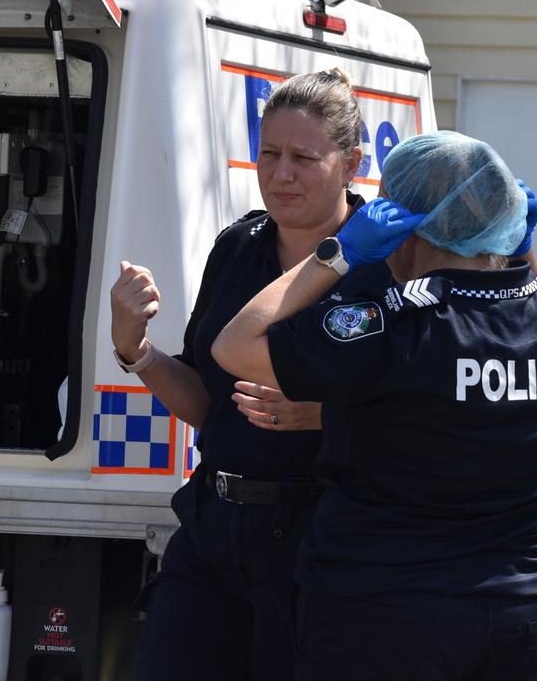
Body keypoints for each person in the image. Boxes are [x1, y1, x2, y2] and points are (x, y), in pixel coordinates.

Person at [212, 130, 537, 680]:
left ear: (406, 228)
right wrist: (518, 245)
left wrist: (336, 254)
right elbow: (519, 297)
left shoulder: (399, 329)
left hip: (384, 611)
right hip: (518, 610)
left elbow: (235, 344)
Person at [109, 69, 389, 680]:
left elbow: (431, 409)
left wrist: (324, 415)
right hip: (214, 528)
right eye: (268, 153)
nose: (280, 173)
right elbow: (212, 404)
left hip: (323, 539)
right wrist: (137, 351)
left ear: (352, 162)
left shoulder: (386, 264)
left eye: (302, 157)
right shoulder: (238, 248)